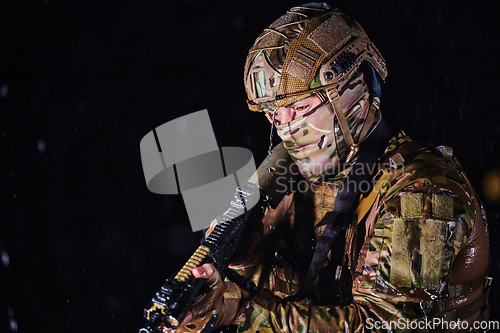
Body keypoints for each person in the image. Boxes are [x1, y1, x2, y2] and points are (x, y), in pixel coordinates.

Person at [171, 3, 491, 332]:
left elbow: (385, 326)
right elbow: (291, 291)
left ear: (351, 93)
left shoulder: (422, 191)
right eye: (274, 113)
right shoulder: (290, 179)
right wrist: (227, 288)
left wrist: (243, 313)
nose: (284, 124)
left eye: (300, 106)